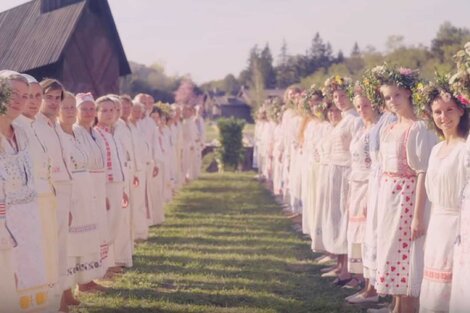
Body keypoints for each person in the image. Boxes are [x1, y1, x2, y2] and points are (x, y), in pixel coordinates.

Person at [373, 64, 437, 313]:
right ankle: (397, 307)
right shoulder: (389, 127)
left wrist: (418, 216)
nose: (392, 101)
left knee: (407, 258)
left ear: (408, 93)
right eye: (387, 97)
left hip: (408, 199)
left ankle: (408, 307)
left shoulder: (419, 127)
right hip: (389, 198)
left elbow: (422, 172)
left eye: (397, 95)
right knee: (391, 254)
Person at [416, 82, 470, 312]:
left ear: (461, 110)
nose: (443, 116)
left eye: (449, 110)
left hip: (458, 223)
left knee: (454, 284)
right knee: (434, 281)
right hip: (437, 221)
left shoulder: (465, 147)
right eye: (437, 112)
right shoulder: (437, 149)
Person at [58, 92, 101, 307]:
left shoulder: (78, 132)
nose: (69, 111)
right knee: (68, 244)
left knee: (82, 242)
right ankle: (63, 292)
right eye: (64, 107)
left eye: (71, 107)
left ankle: (79, 283)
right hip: (70, 192)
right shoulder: (57, 134)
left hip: (85, 191)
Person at [34, 78, 74, 311]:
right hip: (48, 194)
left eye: (57, 98)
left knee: (61, 247)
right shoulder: (33, 125)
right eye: (47, 97)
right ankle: (52, 301)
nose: (52, 102)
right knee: (49, 249)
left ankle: (61, 295)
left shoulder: (56, 126)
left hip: (64, 191)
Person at [321, 75, 362, 285]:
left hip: (346, 173)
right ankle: (340, 265)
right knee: (336, 218)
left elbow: (356, 153)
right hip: (335, 173)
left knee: (346, 220)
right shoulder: (343, 120)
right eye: (336, 96)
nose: (339, 100)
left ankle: (350, 270)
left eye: (343, 95)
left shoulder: (355, 120)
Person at [345, 84, 380, 301]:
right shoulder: (361, 129)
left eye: (365, 104)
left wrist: (370, 192)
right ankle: (363, 281)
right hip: (356, 183)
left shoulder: (377, 128)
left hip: (369, 184)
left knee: (369, 234)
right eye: (358, 105)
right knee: (358, 234)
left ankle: (372, 288)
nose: (361, 109)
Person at [74, 92, 109, 292]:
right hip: (85, 185)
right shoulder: (76, 132)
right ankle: (83, 280)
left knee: (97, 232)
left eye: (91, 109)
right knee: (85, 232)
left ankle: (91, 276)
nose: (88, 113)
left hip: (98, 184)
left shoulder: (94, 133)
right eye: (84, 109)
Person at [94, 96, 128, 277]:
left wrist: (122, 190)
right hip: (106, 186)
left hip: (117, 184)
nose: (108, 114)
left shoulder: (110, 134)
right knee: (104, 226)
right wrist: (102, 192)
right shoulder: (96, 134)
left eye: (111, 110)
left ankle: (108, 263)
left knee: (114, 225)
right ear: (97, 113)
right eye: (104, 110)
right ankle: (100, 268)